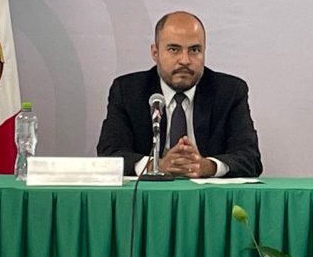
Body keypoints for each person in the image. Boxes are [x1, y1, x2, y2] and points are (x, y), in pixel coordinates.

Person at [97, 11, 262, 177]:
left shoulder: (229, 92)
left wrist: (208, 166)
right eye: (174, 49)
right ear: (155, 53)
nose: (185, 60)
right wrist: (155, 166)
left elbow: (250, 158)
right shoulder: (128, 91)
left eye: (195, 50)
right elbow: (109, 155)